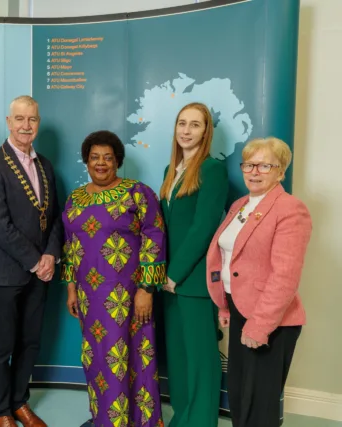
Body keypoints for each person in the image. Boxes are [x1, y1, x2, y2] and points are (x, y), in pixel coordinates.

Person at [62, 130, 166, 427]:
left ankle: (137, 421)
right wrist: (70, 288)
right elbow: (69, 245)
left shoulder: (137, 192)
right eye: (95, 157)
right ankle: (104, 419)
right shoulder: (75, 199)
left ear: (118, 161)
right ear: (86, 161)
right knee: (96, 360)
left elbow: (154, 237)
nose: (101, 163)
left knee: (129, 359)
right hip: (88, 298)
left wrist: (147, 288)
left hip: (129, 297)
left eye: (108, 157)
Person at [207, 137, 311, 427]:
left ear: (281, 172)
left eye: (265, 165)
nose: (254, 171)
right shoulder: (241, 205)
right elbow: (230, 261)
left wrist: (260, 324)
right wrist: (225, 307)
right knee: (240, 397)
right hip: (241, 310)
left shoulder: (290, 209)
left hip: (271, 321)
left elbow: (285, 276)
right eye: (249, 164)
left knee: (259, 408)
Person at [0, 95, 63, 427]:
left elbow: (55, 217)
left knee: (30, 340)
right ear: (9, 122)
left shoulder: (45, 165)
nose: (27, 126)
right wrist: (35, 260)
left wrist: (51, 255)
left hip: (39, 272)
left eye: (33, 120)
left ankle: (19, 402)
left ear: (38, 123)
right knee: (1, 345)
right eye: (20, 119)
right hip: (3, 272)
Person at [158, 102, 229, 427]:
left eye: (195, 125)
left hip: (195, 282)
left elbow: (205, 227)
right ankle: (183, 418)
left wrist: (174, 274)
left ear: (206, 131)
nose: (186, 130)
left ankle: (200, 422)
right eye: (181, 123)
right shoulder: (170, 171)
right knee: (179, 359)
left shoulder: (212, 170)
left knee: (200, 360)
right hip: (169, 283)